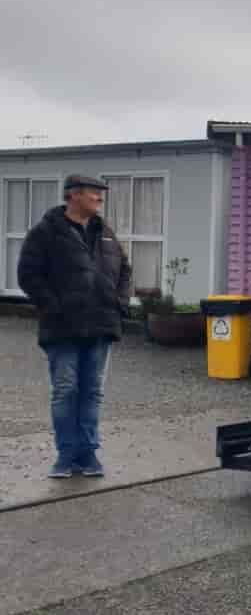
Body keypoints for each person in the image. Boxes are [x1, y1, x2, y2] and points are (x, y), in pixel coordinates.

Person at [17, 174, 131, 478]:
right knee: (65, 390)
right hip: (62, 327)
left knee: (92, 392)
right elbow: (28, 275)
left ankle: (88, 455)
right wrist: (53, 305)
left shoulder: (105, 232)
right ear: (74, 196)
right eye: (95, 194)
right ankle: (66, 456)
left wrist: (119, 302)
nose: (100, 199)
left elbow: (125, 269)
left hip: (101, 324)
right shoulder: (45, 232)